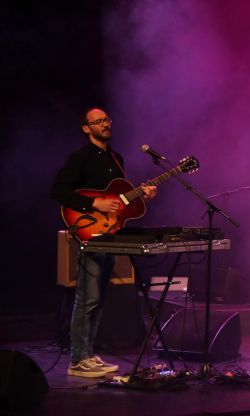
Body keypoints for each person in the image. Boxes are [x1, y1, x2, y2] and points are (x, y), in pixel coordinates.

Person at [50, 108, 157, 377]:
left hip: (110, 235)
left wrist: (143, 196)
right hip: (90, 235)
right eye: (98, 122)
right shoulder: (80, 158)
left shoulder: (115, 157)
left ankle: (88, 354)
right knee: (88, 298)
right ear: (86, 129)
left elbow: (120, 204)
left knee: (99, 299)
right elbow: (58, 191)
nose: (105, 124)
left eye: (107, 120)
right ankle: (78, 359)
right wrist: (93, 202)